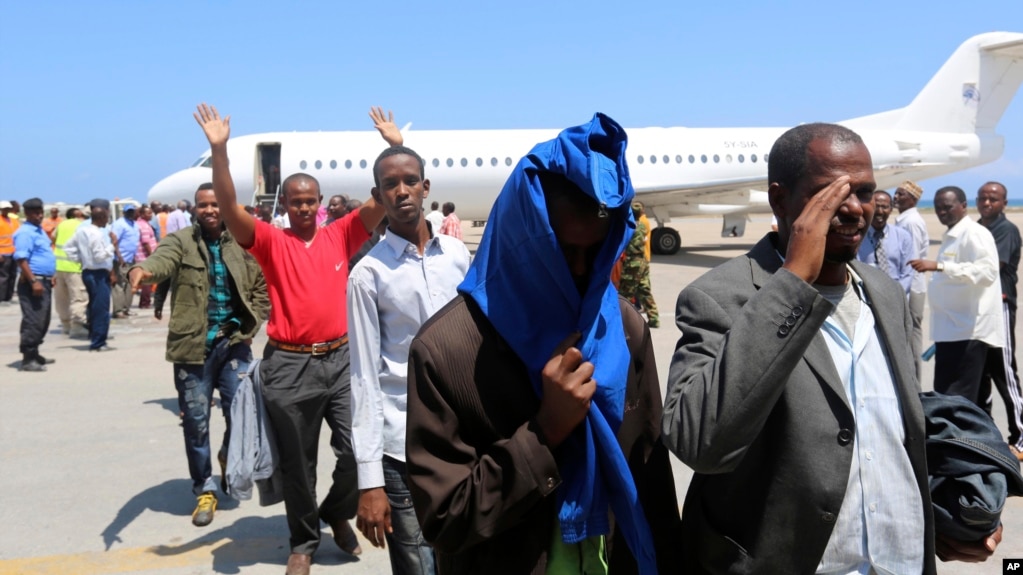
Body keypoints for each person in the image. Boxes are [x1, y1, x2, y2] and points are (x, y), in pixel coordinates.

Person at [663, 123, 1001, 573]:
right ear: (780, 200)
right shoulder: (718, 298)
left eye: (864, 191)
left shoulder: (883, 293)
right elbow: (701, 442)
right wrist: (792, 285)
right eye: (829, 194)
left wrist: (941, 518)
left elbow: (887, 433)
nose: (854, 209)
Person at [405, 115, 681, 574]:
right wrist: (544, 432)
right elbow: (445, 520)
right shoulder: (447, 349)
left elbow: (651, 478)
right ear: (521, 240)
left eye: (595, 253)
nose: (579, 271)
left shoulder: (623, 327)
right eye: (561, 252)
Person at [193, 102, 396, 575]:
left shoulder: (341, 234)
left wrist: (395, 146)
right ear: (285, 205)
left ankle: (336, 511)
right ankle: (303, 541)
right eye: (296, 200)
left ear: (320, 203)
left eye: (311, 200)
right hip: (288, 366)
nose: (304, 206)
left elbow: (383, 198)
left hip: (343, 361)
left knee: (359, 448)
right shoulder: (268, 241)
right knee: (298, 464)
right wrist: (219, 151)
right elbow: (226, 206)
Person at [348, 145, 470, 574]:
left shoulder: (457, 256)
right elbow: (364, 377)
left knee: (467, 555)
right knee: (419, 564)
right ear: (377, 196)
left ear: (425, 187)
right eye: (389, 185)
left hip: (465, 440)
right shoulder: (368, 275)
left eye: (409, 181)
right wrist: (370, 481)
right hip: (404, 449)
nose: (401, 191)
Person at [129, 183, 269, 528]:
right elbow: (162, 261)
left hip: (234, 343)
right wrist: (142, 271)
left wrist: (249, 325)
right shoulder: (182, 241)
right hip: (193, 349)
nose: (209, 210)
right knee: (195, 423)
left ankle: (225, 454)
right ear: (195, 209)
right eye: (203, 205)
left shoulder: (242, 242)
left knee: (242, 414)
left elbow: (261, 288)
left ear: (225, 206)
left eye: (215, 204)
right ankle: (204, 488)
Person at [910, 186, 1004, 409]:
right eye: (937, 208)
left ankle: (954, 444)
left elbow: (987, 272)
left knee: (954, 401)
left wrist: (940, 266)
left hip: (966, 332)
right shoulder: (953, 235)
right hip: (952, 331)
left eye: (947, 207)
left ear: (963, 206)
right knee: (969, 401)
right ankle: (975, 444)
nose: (942, 212)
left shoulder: (974, 234)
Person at [975, 181, 1023, 460]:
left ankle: (1020, 436)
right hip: (979, 309)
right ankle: (987, 435)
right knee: (981, 373)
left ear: (1004, 202)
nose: (987, 202)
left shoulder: (1005, 230)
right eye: (982, 198)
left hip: (1000, 306)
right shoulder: (977, 227)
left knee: (1004, 372)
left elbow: (994, 266)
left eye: (993, 198)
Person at [63, 199, 117, 352]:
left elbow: (68, 248)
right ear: (101, 218)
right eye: (107, 217)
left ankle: (94, 336)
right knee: (101, 309)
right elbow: (100, 256)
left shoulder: (81, 231)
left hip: (87, 271)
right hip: (98, 273)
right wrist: (113, 245)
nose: (107, 221)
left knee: (93, 307)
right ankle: (98, 342)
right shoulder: (96, 234)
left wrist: (81, 260)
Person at [13, 198, 57, 372]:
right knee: (34, 320)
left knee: (43, 319)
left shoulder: (38, 231)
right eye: (35, 213)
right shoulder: (25, 233)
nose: (39, 216)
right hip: (33, 282)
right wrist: (33, 280)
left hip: (44, 280)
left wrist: (50, 275)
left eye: (40, 212)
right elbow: (21, 259)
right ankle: (28, 358)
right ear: (27, 213)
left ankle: (35, 352)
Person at [894, 180, 929, 375]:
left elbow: (912, 259)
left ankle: (915, 380)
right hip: (909, 283)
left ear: (913, 199)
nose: (896, 198)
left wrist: (903, 289)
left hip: (912, 286)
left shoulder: (911, 222)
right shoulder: (904, 219)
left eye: (901, 194)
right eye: (896, 193)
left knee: (912, 332)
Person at [856, 189, 914, 295]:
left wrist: (894, 295)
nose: (880, 211)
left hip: (897, 296)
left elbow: (908, 273)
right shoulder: (857, 237)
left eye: (885, 207)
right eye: (876, 206)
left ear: (891, 209)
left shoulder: (903, 237)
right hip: (868, 296)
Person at [618, 202, 659, 327]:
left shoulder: (628, 227)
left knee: (626, 293)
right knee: (644, 290)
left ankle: (625, 321)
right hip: (642, 261)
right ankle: (654, 318)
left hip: (632, 263)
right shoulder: (642, 226)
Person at [53, 207, 89, 338]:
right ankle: (77, 326)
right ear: (79, 215)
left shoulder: (61, 224)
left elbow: (53, 238)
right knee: (78, 297)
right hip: (74, 266)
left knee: (62, 298)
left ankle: (66, 325)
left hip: (58, 265)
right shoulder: (81, 225)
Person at [111, 205, 141, 318]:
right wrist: (119, 257)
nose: (130, 213)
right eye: (128, 212)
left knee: (130, 284)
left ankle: (126, 308)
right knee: (119, 285)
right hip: (121, 260)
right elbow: (114, 241)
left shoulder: (134, 224)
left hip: (131, 259)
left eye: (132, 211)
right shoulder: (119, 224)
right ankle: (118, 310)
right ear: (123, 212)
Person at [134, 205, 158, 309]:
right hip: (145, 256)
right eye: (148, 213)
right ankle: (145, 303)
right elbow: (145, 242)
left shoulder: (143, 224)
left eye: (151, 213)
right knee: (147, 281)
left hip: (143, 256)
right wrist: (152, 255)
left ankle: (144, 302)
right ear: (142, 214)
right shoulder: (143, 226)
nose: (150, 215)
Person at [0, 200, 21, 304]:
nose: (6, 210)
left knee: (13, 275)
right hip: (3, 253)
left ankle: (9, 296)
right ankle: (2, 298)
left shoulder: (13, 221)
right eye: (4, 209)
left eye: (8, 209)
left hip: (13, 252)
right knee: (4, 276)